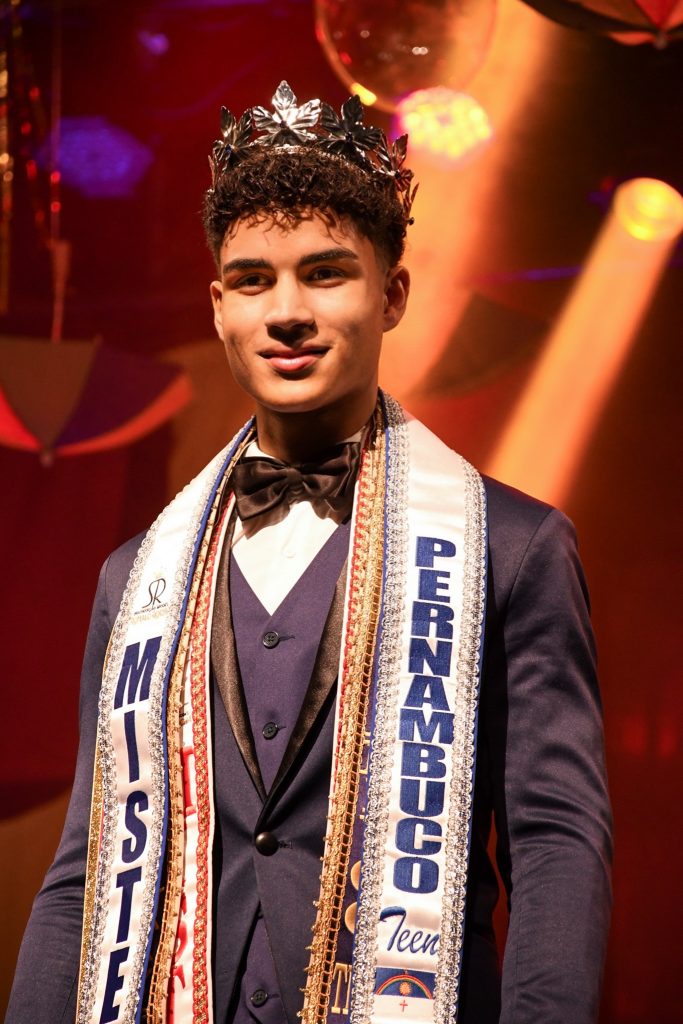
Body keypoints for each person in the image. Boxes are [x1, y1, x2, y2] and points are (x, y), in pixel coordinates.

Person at [7, 81, 612, 1024]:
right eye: (253, 281)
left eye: (325, 273)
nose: (285, 311)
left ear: (392, 294)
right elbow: (86, 873)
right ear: (219, 307)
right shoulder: (137, 576)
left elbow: (554, 841)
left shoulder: (514, 545)